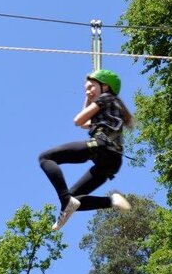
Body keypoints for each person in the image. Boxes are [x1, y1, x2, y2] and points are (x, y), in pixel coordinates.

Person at [39, 69, 135, 231]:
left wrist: (88, 99)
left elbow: (78, 120)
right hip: (111, 161)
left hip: (102, 146)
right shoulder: (109, 108)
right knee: (75, 200)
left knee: (45, 158)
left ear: (105, 87)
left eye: (91, 87)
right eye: (86, 89)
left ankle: (64, 201)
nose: (88, 91)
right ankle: (111, 201)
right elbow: (85, 123)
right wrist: (89, 96)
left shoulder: (106, 98)